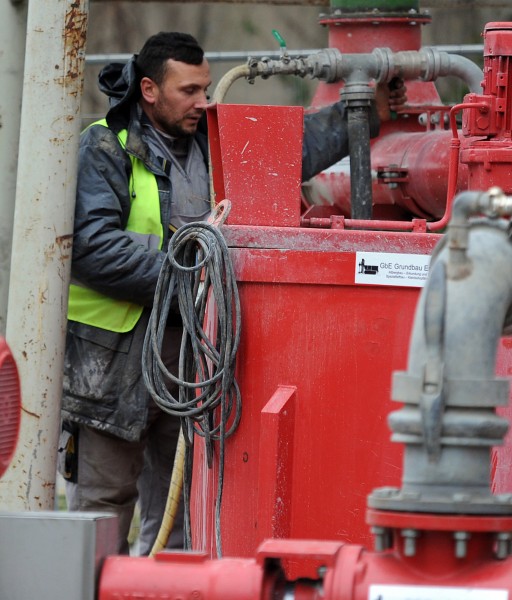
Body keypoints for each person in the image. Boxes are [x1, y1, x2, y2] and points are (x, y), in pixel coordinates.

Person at [58, 31, 405, 555]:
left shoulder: (209, 139)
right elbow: (92, 248)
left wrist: (364, 113)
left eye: (204, 88)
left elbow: (294, 150)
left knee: (181, 514)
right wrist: (196, 275)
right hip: (114, 366)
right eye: (189, 91)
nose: (204, 101)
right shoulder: (106, 146)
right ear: (149, 90)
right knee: (104, 507)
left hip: (194, 356)